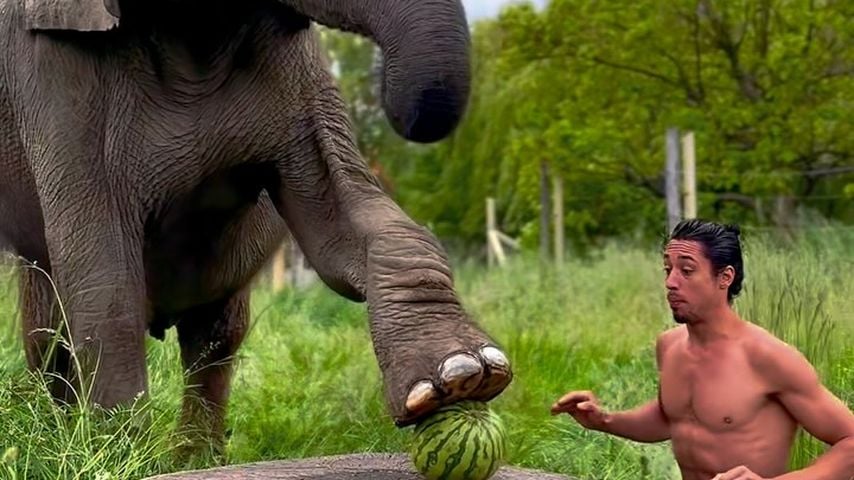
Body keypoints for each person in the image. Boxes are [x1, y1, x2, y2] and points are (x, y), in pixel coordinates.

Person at [551, 219, 854, 480]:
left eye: (686, 271)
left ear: (725, 277)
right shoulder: (669, 346)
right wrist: (603, 420)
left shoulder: (767, 357)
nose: (670, 282)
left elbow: (850, 442)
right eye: (668, 270)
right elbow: (673, 418)